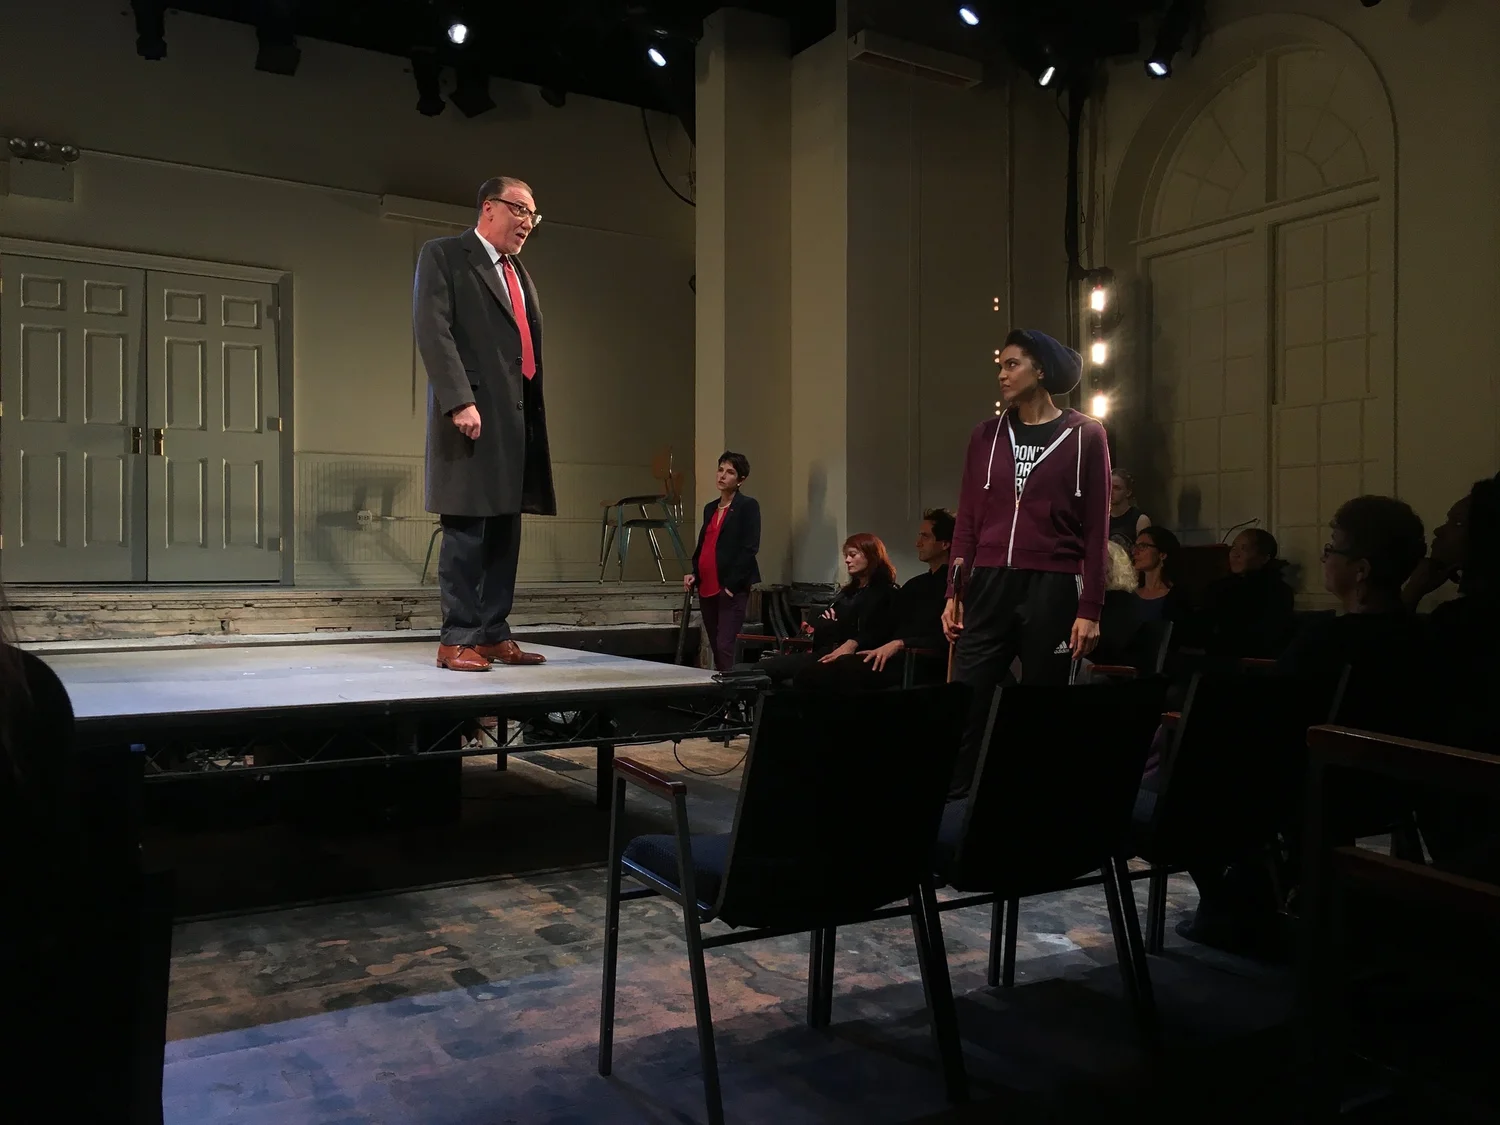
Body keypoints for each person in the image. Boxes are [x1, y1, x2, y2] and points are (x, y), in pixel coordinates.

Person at [944, 328, 1110, 793]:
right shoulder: (985, 435)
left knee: (1043, 705)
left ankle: (1037, 804)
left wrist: (1091, 608)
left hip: (1053, 585)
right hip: (989, 582)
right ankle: (955, 805)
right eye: (1001, 365)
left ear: (1041, 370)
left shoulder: (1086, 435)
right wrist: (954, 591)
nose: (1002, 374)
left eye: (1012, 364)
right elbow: (967, 521)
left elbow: (1096, 529)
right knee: (968, 698)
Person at [415, 176, 554, 672]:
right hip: (470, 414)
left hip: (514, 418)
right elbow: (433, 329)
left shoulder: (518, 273)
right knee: (466, 529)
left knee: (503, 531)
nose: (527, 223)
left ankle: (493, 632)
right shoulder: (446, 255)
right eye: (521, 210)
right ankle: (456, 639)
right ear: (489, 208)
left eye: (533, 216)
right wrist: (458, 401)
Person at [757, 534, 897, 685]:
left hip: (855, 657)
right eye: (846, 555)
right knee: (763, 667)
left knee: (804, 676)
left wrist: (838, 627)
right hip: (826, 650)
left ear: (871, 556)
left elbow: (875, 632)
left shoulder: (885, 593)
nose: (847, 560)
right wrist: (828, 625)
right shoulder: (847, 592)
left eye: (852, 555)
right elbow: (823, 630)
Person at [685, 452, 761, 672]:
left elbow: (750, 548)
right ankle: (721, 685)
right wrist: (694, 573)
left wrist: (730, 587)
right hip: (707, 585)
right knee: (715, 644)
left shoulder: (748, 506)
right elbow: (705, 544)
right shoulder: (710, 508)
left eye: (730, 472)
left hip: (730, 587)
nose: (722, 476)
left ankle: (729, 688)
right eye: (720, 470)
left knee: (724, 644)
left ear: (740, 479)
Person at [1193, 528, 1295, 659]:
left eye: (1244, 549)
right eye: (1233, 548)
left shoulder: (1278, 592)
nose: (1235, 554)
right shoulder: (1218, 588)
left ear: (1264, 558)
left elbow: (1266, 639)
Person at [1131, 525, 1190, 627]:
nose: (1134, 552)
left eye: (1143, 546)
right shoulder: (1130, 595)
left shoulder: (1177, 598)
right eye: (1135, 546)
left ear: (1162, 555)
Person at [1109, 469, 1151, 549]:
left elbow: (1145, 552)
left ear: (1128, 492)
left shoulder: (1140, 520)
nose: (1111, 491)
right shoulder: (1101, 518)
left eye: (1116, 488)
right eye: (1109, 487)